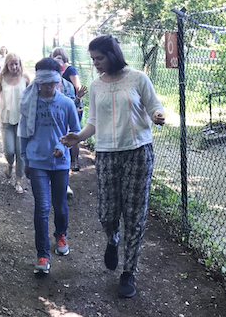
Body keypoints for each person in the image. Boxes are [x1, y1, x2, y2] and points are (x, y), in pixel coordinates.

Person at [60, 34, 166, 297]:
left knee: (134, 214)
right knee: (107, 213)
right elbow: (93, 122)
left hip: (138, 152)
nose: (95, 63)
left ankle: (129, 272)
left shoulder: (137, 78)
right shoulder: (96, 86)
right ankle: (112, 239)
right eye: (93, 58)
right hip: (107, 154)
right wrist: (78, 136)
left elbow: (154, 105)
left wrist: (157, 115)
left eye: (100, 58)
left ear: (113, 54)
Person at [19, 57, 80, 274]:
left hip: (60, 163)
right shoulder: (29, 103)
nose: (47, 87)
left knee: (60, 205)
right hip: (37, 162)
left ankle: (60, 234)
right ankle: (42, 255)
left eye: (51, 82)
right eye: (43, 82)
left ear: (57, 82)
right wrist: (25, 161)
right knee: (42, 207)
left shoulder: (66, 104)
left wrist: (63, 148)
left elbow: (75, 132)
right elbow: (23, 133)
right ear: (37, 82)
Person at [0, 53, 31, 194]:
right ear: (7, 64)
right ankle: (9, 164)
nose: (14, 67)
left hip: (22, 120)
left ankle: (18, 181)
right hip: (6, 119)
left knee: (21, 152)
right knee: (9, 151)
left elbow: (31, 99)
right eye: (11, 64)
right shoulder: (0, 78)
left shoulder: (25, 78)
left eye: (16, 64)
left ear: (20, 64)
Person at [52, 56, 86, 199]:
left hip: (64, 123)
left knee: (66, 145)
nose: (58, 71)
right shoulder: (47, 85)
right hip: (51, 124)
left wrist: (77, 100)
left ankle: (65, 183)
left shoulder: (67, 85)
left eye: (59, 69)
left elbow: (73, 103)